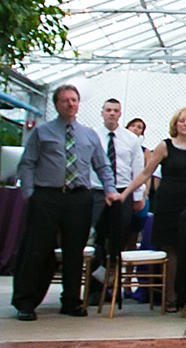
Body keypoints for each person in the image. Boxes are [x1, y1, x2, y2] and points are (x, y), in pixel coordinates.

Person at [11, 83, 116, 321]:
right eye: (65, 100)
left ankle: (71, 300)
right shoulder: (42, 132)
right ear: (57, 104)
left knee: (74, 252)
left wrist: (110, 190)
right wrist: (29, 192)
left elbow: (102, 165)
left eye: (74, 100)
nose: (70, 104)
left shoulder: (88, 134)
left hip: (78, 198)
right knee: (37, 250)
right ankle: (26, 301)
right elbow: (27, 163)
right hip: (47, 196)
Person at [116, 107, 186, 314]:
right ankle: (170, 297)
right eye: (181, 121)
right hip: (169, 201)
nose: (185, 124)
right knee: (171, 250)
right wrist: (125, 194)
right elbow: (145, 173)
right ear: (175, 125)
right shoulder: (164, 146)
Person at [94, 98, 144, 302]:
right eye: (108, 110)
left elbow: (138, 169)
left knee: (118, 241)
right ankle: (95, 291)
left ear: (120, 114)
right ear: (102, 112)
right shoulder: (93, 136)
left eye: (115, 110)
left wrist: (138, 197)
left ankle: (114, 289)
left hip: (124, 192)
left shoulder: (130, 139)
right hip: (97, 190)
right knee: (98, 240)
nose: (112, 114)